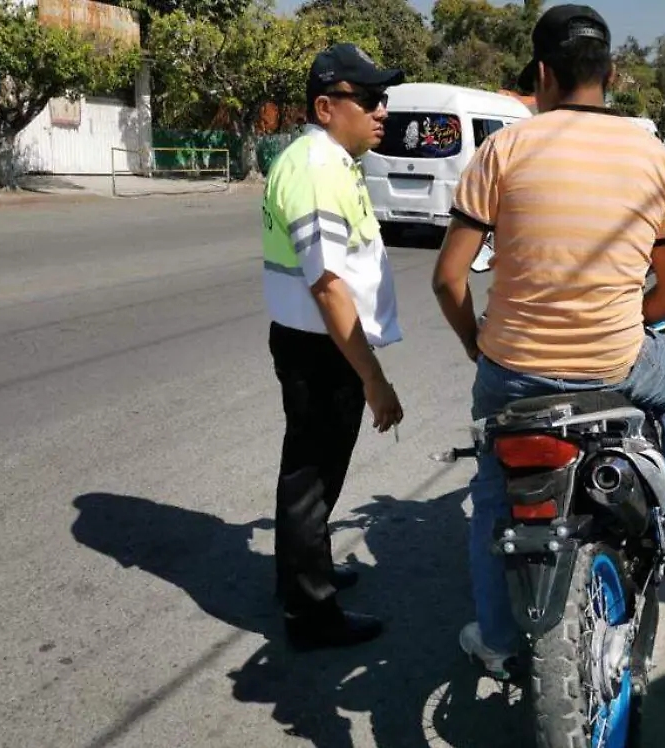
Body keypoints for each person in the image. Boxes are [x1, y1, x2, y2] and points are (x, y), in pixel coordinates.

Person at [430, 4, 665, 678]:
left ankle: (500, 640)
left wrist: (477, 345)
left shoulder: (502, 150)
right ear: (612, 73)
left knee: (493, 497)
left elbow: (449, 278)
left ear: (541, 73)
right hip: (617, 364)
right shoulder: (653, 156)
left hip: (511, 369)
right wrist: (627, 320)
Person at [261, 43, 406, 650]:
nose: (382, 111)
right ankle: (310, 614)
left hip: (324, 346)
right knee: (311, 479)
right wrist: (373, 378)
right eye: (370, 99)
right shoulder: (317, 169)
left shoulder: (333, 160)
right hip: (322, 349)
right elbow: (327, 285)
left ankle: (307, 572)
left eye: (384, 99)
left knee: (316, 474)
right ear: (326, 106)